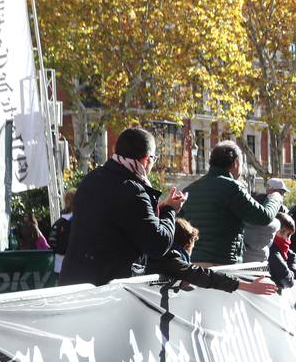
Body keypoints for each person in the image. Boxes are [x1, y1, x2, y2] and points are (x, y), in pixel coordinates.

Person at [60, 127, 186, 286]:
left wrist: (160, 207)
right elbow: (158, 244)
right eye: (155, 158)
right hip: (108, 288)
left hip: (74, 280)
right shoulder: (133, 190)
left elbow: (117, 220)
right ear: (146, 160)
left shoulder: (92, 179)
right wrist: (170, 210)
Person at [180, 141, 283, 267]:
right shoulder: (232, 188)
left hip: (193, 264)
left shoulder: (189, 190)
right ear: (236, 163)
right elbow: (264, 217)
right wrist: (275, 197)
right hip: (223, 265)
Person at [149, 218, 278, 296]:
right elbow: (202, 275)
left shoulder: (160, 253)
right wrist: (248, 286)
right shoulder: (170, 258)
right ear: (188, 244)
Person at [242, 178, 289, 264]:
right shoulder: (281, 208)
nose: (282, 196)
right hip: (266, 253)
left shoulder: (253, 201)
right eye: (281, 192)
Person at [268, 212, 296, 289]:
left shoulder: (280, 249)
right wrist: (291, 272)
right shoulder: (273, 251)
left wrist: (291, 270)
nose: (285, 238)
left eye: (289, 235)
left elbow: (292, 255)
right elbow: (289, 281)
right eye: (282, 232)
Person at [49, 190, 75, 273]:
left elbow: (52, 241)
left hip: (60, 265)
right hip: (74, 265)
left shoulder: (58, 223)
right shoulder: (81, 222)